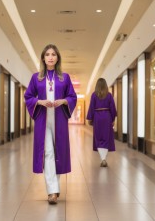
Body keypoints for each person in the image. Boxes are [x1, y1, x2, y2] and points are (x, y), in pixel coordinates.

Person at [24, 44, 77, 204]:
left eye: (54, 54)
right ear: (43, 58)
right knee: (48, 153)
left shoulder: (64, 77)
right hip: (43, 120)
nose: (51, 57)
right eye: (47, 54)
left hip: (59, 118)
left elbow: (72, 97)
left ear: (58, 57)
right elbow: (28, 97)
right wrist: (39, 101)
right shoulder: (36, 78)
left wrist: (64, 101)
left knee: (58, 153)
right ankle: (52, 191)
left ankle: (55, 186)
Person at [86, 78, 117, 167]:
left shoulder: (94, 95)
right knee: (106, 138)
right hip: (107, 117)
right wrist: (113, 119)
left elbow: (91, 107)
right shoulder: (109, 95)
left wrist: (90, 118)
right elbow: (113, 109)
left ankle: (102, 158)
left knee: (98, 138)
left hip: (97, 117)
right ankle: (104, 159)